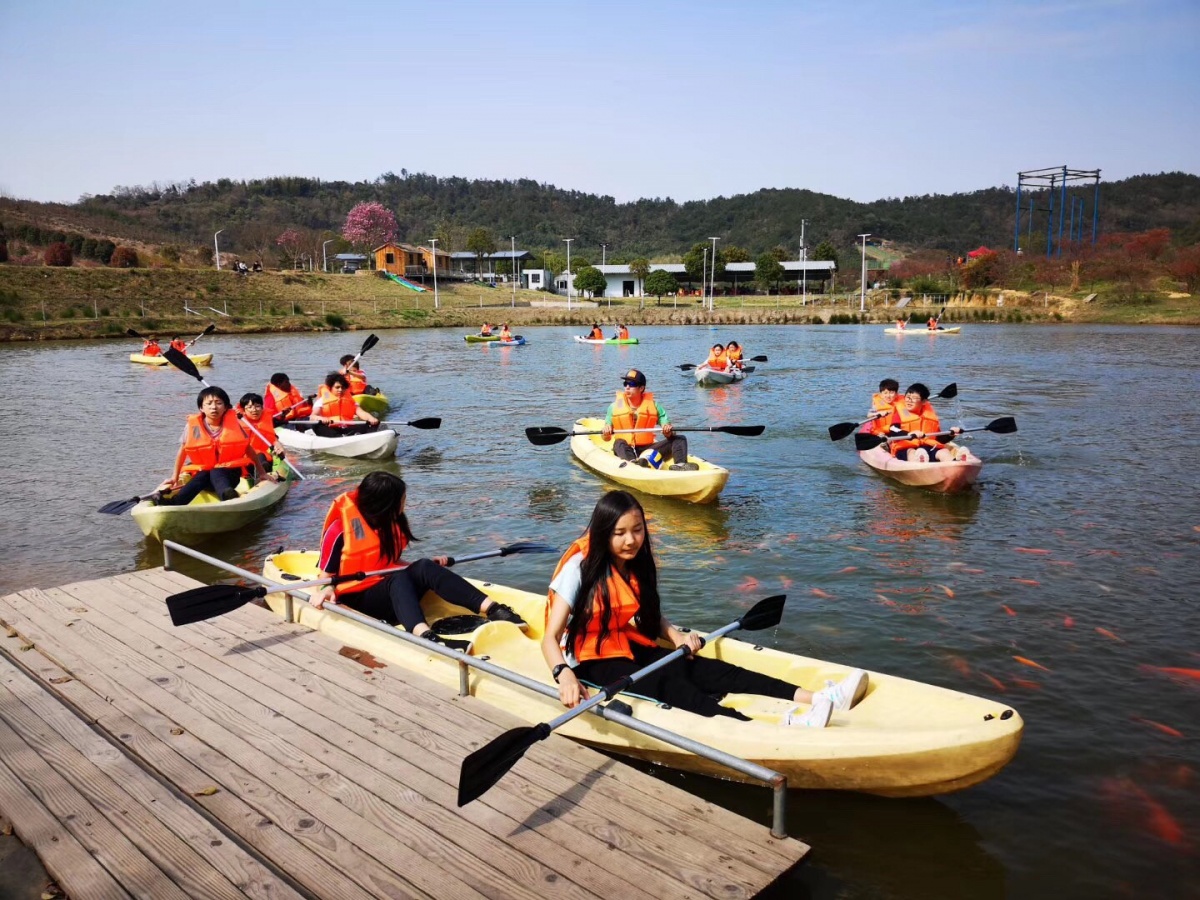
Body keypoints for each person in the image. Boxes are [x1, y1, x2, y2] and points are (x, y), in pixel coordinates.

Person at [542, 491, 867, 726]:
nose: (631, 540)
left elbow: (648, 617)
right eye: (620, 533)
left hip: (625, 644)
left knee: (709, 670)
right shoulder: (579, 568)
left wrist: (676, 635)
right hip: (586, 660)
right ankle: (765, 727)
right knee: (674, 687)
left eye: (638, 529)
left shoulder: (635, 563)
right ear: (603, 534)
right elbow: (550, 638)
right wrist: (564, 675)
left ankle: (819, 698)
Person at [309, 472, 527, 649]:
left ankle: (495, 610)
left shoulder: (391, 521)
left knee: (422, 565)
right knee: (399, 578)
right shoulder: (339, 529)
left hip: (387, 589)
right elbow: (324, 577)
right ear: (385, 504)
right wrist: (324, 590)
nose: (405, 503)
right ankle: (427, 636)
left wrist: (425, 567)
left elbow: (385, 563)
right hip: (358, 599)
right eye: (402, 500)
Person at [153, 386, 272, 506]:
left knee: (216, 470)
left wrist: (262, 472)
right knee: (206, 472)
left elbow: (248, 448)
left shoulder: (234, 425)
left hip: (230, 475)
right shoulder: (193, 427)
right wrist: (174, 477)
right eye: (209, 403)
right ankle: (175, 503)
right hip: (204, 478)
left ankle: (227, 496)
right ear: (201, 408)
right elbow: (183, 452)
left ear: (225, 407)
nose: (214, 407)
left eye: (218, 403)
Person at [602, 369, 697, 471]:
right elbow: (605, 437)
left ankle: (681, 465)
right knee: (619, 442)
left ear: (641, 388)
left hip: (647, 450)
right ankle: (633, 464)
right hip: (624, 449)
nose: (627, 387)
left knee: (679, 438)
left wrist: (668, 431)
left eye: (632, 384)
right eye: (625, 384)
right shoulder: (614, 407)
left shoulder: (654, 406)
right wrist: (606, 432)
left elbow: (666, 425)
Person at [887, 382, 963, 462]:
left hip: (926, 447)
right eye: (908, 397)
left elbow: (938, 439)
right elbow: (893, 429)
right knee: (912, 452)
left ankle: (955, 462)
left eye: (914, 398)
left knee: (943, 452)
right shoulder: (900, 413)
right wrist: (908, 434)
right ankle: (919, 462)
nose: (909, 401)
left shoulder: (929, 415)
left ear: (924, 402)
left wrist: (950, 434)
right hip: (905, 448)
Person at [238, 393, 289, 478]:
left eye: (257, 406)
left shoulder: (267, 420)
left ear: (262, 408)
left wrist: (280, 448)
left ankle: (264, 474)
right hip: (245, 460)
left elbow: (273, 439)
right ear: (244, 410)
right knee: (260, 456)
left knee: (262, 456)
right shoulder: (237, 423)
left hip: (263, 457)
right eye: (249, 407)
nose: (254, 410)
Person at [311, 373, 379, 436]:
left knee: (373, 424)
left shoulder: (350, 401)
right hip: (329, 427)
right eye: (337, 387)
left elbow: (361, 412)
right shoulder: (321, 400)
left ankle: (351, 436)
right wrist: (321, 418)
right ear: (330, 388)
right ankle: (340, 438)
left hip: (345, 427)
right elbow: (313, 416)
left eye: (342, 387)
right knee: (317, 425)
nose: (340, 390)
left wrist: (371, 418)